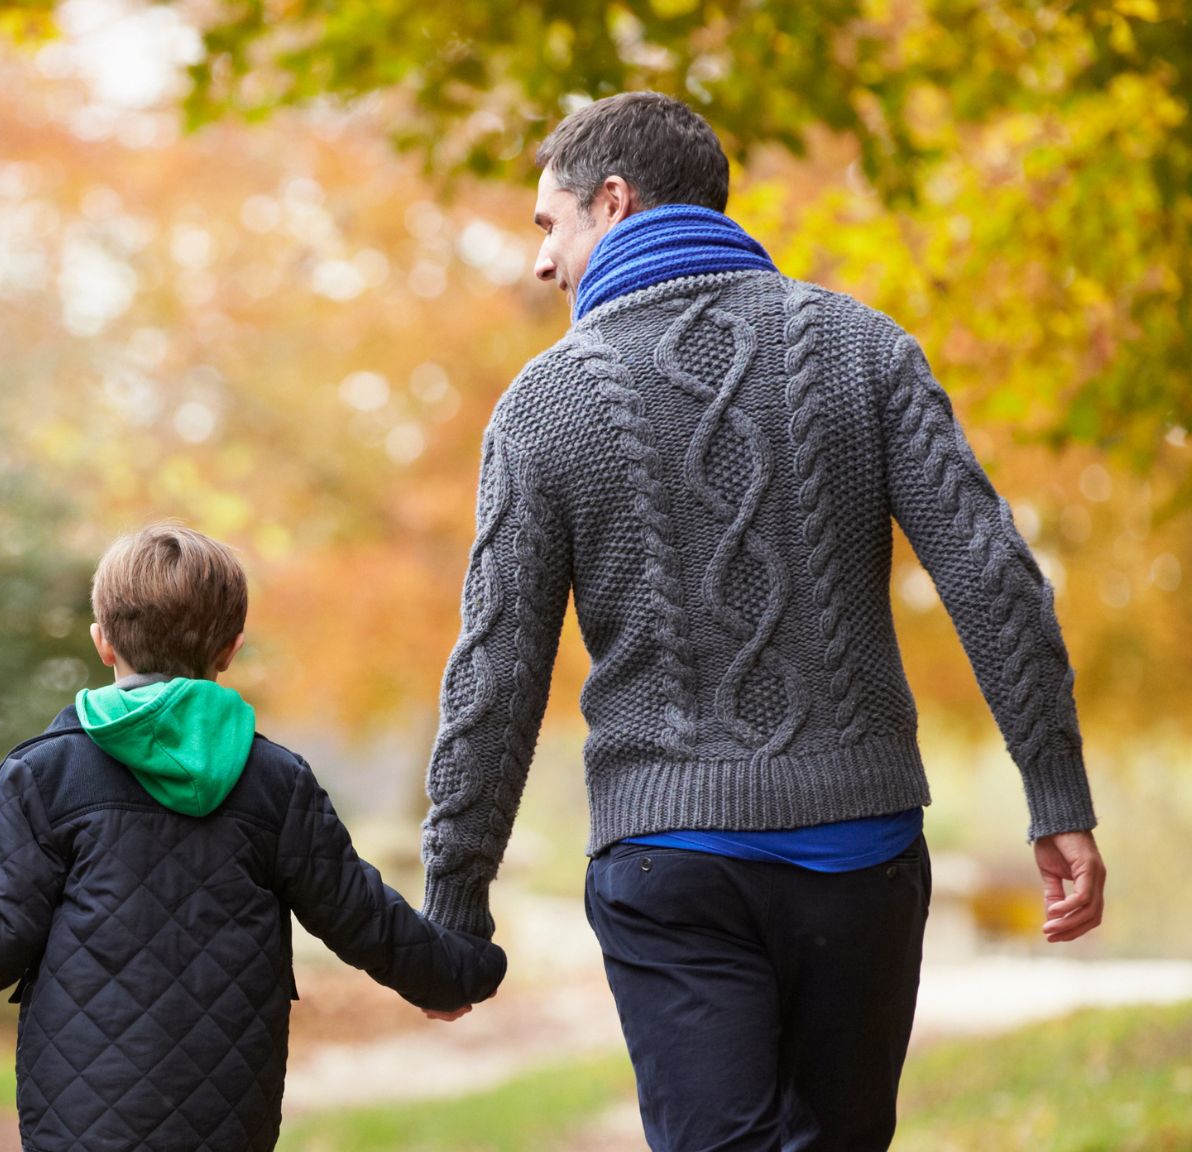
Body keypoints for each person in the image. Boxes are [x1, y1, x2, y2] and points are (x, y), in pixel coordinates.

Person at [416, 92, 1106, 1151]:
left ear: (613, 199)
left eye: (547, 225)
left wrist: (454, 904)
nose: (542, 263)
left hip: (668, 858)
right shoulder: (861, 349)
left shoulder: (541, 403)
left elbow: (495, 668)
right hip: (861, 852)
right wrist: (1052, 788)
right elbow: (989, 572)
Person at [0, 523, 505, 1152]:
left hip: (80, 1115)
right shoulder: (276, 783)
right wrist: (451, 978)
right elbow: (361, 916)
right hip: (229, 1114)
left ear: (103, 641)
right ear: (230, 649)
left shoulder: (45, 774)